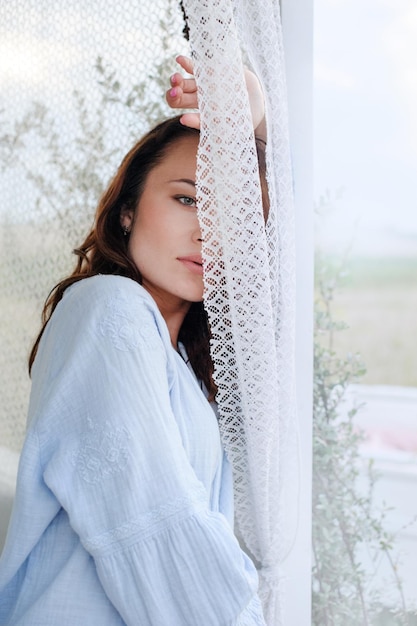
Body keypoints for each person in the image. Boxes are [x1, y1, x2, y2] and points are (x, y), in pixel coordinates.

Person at [0, 56, 267, 625]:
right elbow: (158, 523)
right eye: (188, 199)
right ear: (127, 211)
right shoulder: (108, 306)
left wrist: (257, 128)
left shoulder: (189, 370)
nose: (207, 230)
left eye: (231, 216)